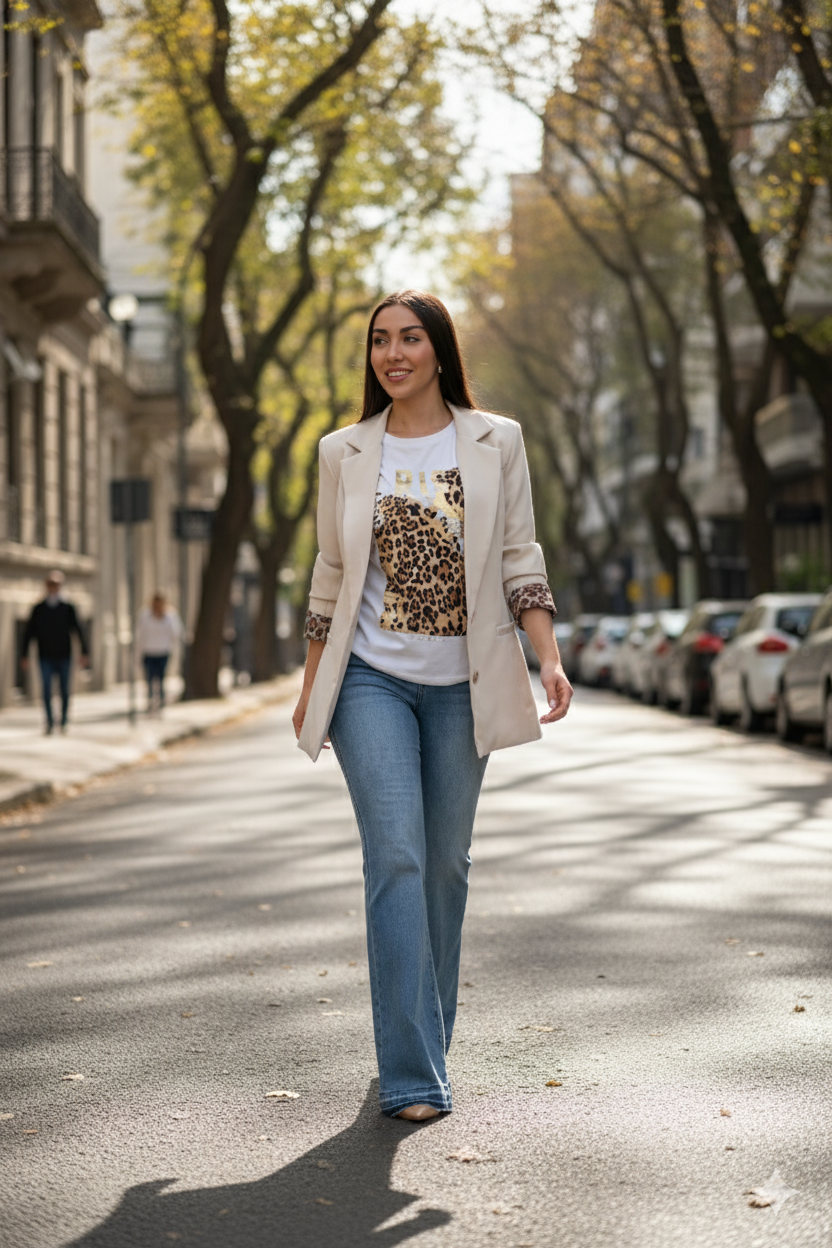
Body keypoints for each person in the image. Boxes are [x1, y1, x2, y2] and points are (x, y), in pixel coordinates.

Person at [292, 290, 573, 1122]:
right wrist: (314, 679)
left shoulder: (496, 441)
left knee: (446, 867)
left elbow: (520, 551)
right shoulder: (342, 450)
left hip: (465, 685)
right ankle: (411, 1073)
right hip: (369, 679)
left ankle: (427, 1037)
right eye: (380, 340)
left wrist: (547, 654)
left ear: (440, 350)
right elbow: (330, 574)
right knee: (399, 860)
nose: (394, 353)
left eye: (410, 338)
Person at [21, 571, 89, 735]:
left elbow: (78, 630)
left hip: (64, 655)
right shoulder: (38, 608)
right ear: (46, 586)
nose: (53, 587)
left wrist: (84, 652)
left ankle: (63, 721)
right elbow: (29, 632)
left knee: (65, 690)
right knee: (46, 690)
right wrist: (24, 655)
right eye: (50, 584)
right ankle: (50, 722)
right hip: (45, 655)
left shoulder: (68, 607)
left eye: (56, 584)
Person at [135, 593, 183, 713]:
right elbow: (140, 635)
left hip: (163, 651)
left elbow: (176, 633)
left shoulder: (170, 617)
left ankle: (161, 701)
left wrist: (174, 650)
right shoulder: (145, 616)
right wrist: (138, 651)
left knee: (161, 678)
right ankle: (151, 700)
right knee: (150, 678)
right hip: (149, 651)